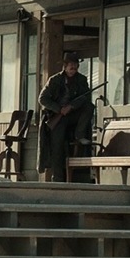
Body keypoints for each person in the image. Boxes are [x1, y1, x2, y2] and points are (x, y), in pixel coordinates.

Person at [39, 51, 92, 182]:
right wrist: (59, 109)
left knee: (89, 106)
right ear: (65, 66)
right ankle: (57, 179)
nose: (73, 67)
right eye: (71, 65)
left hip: (74, 115)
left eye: (75, 65)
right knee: (57, 147)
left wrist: (71, 107)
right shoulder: (54, 80)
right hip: (57, 117)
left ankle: (79, 135)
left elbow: (85, 97)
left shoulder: (82, 80)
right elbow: (43, 99)